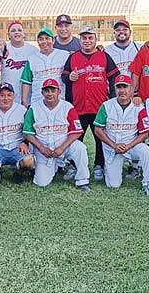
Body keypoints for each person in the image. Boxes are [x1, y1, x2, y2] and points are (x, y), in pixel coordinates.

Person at [61, 25, 119, 181]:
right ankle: (74, 165)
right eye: (84, 38)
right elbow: (64, 76)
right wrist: (69, 77)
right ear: (80, 40)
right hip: (78, 106)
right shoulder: (73, 57)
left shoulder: (104, 56)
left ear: (95, 39)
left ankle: (99, 165)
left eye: (90, 37)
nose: (87, 41)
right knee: (75, 138)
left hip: (99, 106)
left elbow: (114, 77)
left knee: (100, 138)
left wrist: (113, 99)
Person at [23, 79, 91, 191]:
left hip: (63, 145)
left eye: (53, 90)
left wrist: (62, 147)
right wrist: (41, 148)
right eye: (47, 91)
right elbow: (27, 133)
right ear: (42, 93)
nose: (49, 93)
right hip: (43, 149)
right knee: (42, 183)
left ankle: (82, 181)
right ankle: (57, 166)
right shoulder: (33, 108)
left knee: (80, 148)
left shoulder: (67, 107)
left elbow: (77, 131)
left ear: (59, 92)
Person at [93, 74, 149, 195]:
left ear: (131, 88)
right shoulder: (106, 106)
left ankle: (148, 183)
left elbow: (145, 133)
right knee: (113, 185)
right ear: (115, 89)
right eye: (119, 87)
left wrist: (129, 146)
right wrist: (114, 145)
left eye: (125, 87)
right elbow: (98, 130)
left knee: (146, 151)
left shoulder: (139, 107)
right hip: (112, 147)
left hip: (132, 145)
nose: (122, 90)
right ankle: (112, 168)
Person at [20, 27, 68, 106]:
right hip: (37, 101)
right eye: (41, 39)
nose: (44, 41)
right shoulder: (32, 59)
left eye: (47, 38)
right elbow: (26, 81)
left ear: (53, 40)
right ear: (38, 42)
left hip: (60, 101)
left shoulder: (65, 55)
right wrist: (24, 100)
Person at [1, 21, 36, 104]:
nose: (17, 32)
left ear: (24, 34)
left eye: (19, 30)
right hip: (7, 95)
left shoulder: (33, 50)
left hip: (28, 95)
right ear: (8, 35)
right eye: (13, 31)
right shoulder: (3, 49)